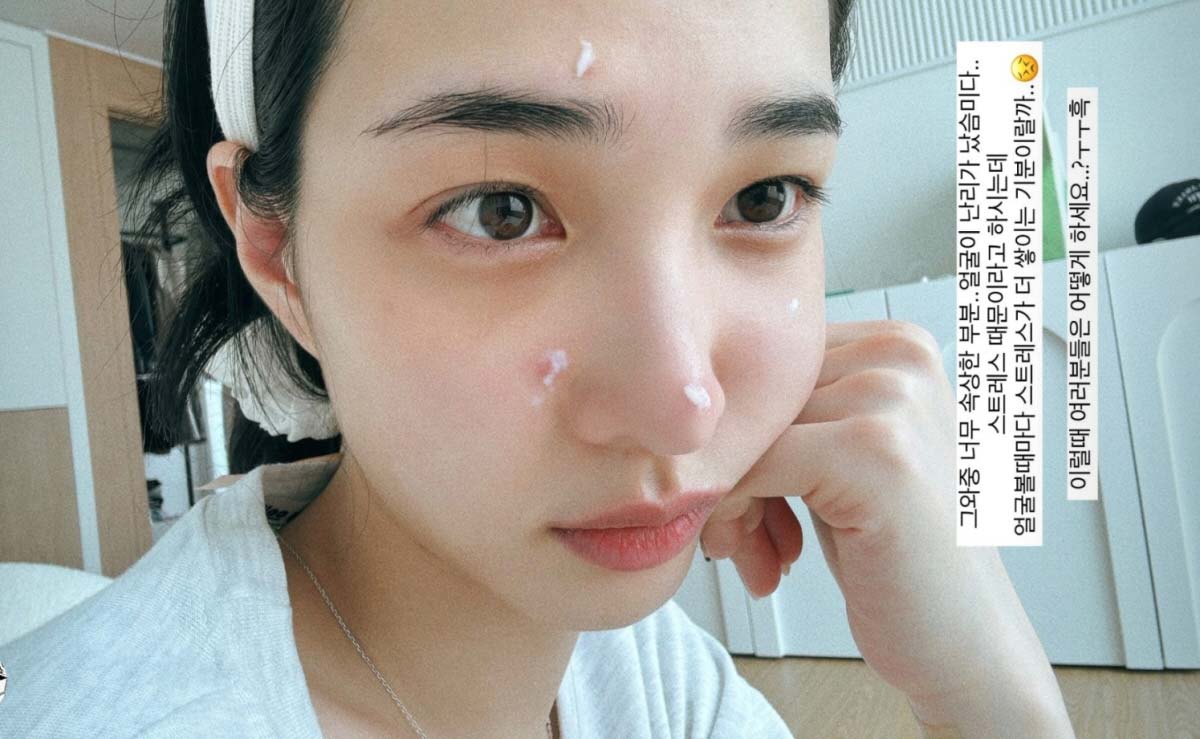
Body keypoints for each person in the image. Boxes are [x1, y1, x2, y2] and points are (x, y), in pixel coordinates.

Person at [0, 0, 1076, 736]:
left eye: (764, 198)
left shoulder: (652, 674)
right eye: (500, 211)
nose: (682, 406)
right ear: (278, 250)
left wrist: (985, 691)